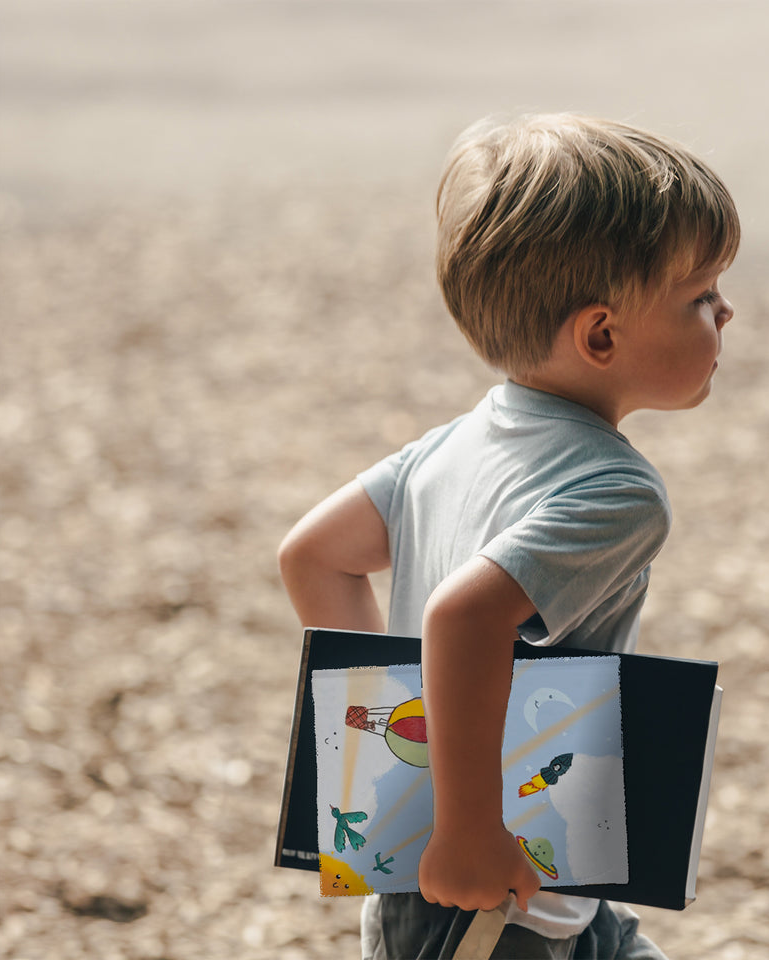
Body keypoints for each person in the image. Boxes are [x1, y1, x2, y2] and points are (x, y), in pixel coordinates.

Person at [277, 113, 739, 959]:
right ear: (602, 334)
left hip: (550, 878)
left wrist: (391, 768)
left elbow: (313, 555)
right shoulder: (617, 490)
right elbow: (463, 620)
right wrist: (464, 830)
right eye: (701, 296)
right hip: (497, 897)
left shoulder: (451, 444)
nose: (727, 309)